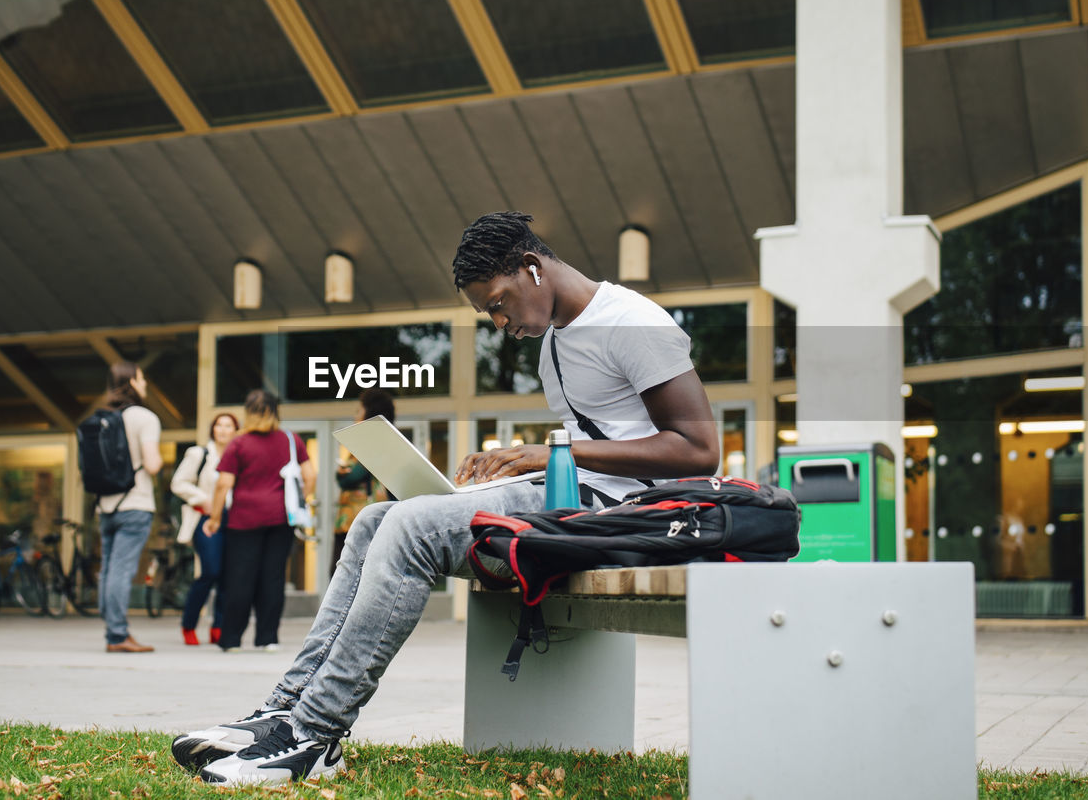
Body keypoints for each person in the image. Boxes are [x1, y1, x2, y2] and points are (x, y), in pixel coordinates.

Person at [171, 211, 718, 784]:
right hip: (575, 501)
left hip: (628, 518)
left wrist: (552, 455)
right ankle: (288, 709)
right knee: (376, 519)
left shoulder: (631, 322)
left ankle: (315, 734)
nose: (500, 321)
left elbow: (698, 448)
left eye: (499, 304)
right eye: (489, 313)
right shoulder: (555, 343)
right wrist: (516, 471)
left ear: (531, 268)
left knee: (412, 530)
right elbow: (598, 443)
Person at [204, 389, 316, 653]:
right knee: (273, 578)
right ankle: (268, 638)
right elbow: (310, 476)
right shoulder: (291, 439)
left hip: (244, 520)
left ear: (249, 413)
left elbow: (223, 484)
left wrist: (215, 518)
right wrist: (297, 499)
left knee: (240, 578)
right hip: (281, 519)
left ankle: (231, 640)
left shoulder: (239, 444)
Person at [97, 361, 162, 654]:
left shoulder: (104, 417)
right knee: (122, 571)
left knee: (109, 569)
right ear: (132, 382)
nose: (145, 383)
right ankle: (118, 634)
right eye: (142, 378)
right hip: (135, 503)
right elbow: (152, 463)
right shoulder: (144, 418)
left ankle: (111, 629)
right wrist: (159, 463)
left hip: (106, 504)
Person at [170, 412, 240, 646]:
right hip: (206, 518)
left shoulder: (238, 456)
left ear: (235, 431)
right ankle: (189, 625)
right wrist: (203, 499)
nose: (222, 430)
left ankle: (218, 626)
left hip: (233, 519)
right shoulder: (199, 454)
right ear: (212, 430)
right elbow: (178, 483)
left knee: (227, 576)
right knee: (210, 571)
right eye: (218, 425)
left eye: (228, 426)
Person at [332, 387, 395, 568]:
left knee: (347, 571)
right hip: (366, 519)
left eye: (359, 410)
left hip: (359, 520)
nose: (355, 416)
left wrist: (342, 474)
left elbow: (351, 478)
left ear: (370, 412)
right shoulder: (386, 441)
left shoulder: (373, 442)